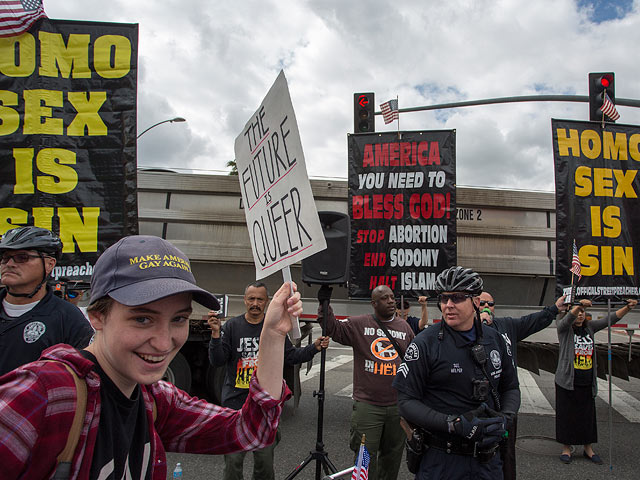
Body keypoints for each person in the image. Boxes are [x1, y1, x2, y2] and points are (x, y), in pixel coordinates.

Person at [0, 235, 302, 478]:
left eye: (179, 319)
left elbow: (251, 431)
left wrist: (273, 336)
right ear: (98, 317)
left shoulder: (155, 400)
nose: (162, 343)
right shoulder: (45, 393)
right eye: (142, 319)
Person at [393, 266, 520, 480]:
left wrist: (506, 419)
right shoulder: (425, 343)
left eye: (457, 298)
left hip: (487, 462)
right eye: (443, 299)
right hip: (441, 460)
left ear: (476, 303)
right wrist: (453, 425)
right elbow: (405, 401)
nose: (448, 305)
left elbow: (510, 387)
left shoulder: (496, 340)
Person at [208, 281, 329, 480]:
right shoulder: (232, 326)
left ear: (267, 302)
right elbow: (218, 360)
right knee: (233, 464)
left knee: (264, 465)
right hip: (234, 406)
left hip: (264, 408)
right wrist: (214, 335)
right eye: (251, 299)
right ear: (245, 300)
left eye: (260, 299)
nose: (255, 303)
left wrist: (313, 348)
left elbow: (290, 356)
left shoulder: (273, 327)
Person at [319, 284, 414, 480]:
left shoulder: (404, 328)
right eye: (384, 298)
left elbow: (414, 363)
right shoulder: (359, 324)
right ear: (373, 303)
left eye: (392, 297)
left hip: (397, 407)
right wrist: (324, 303)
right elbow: (332, 328)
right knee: (364, 458)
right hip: (368, 407)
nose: (390, 301)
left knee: (392, 457)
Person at [478, 290, 567, 480]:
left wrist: (554, 309)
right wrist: (479, 325)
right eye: (482, 303)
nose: (487, 307)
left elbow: (532, 321)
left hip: (506, 404)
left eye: (491, 304)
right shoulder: (469, 330)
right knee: (482, 454)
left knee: (507, 453)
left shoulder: (507, 325)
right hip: (481, 406)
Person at [0, 226, 94, 376]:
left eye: (22, 257)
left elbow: (89, 375)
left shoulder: (67, 317)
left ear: (50, 264)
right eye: (4, 257)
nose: (9, 264)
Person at [555, 297, 637, 465]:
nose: (580, 315)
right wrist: (578, 306)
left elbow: (610, 319)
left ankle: (588, 448)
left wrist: (628, 307)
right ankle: (566, 448)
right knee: (567, 415)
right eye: (578, 312)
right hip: (567, 380)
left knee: (587, 417)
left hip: (586, 380)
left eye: (583, 313)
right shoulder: (564, 329)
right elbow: (567, 320)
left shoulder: (590, 328)